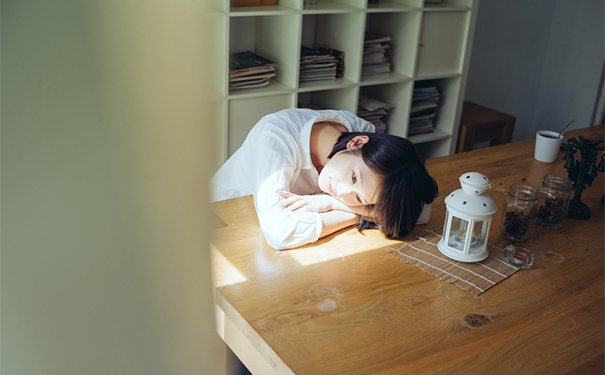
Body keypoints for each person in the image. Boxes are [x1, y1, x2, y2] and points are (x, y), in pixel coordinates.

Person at [210, 108, 438, 250]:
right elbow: (279, 235)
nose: (342, 192)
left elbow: (421, 212)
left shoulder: (365, 146)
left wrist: (330, 203)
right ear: (356, 143)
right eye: (354, 177)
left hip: (256, 236)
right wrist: (352, 213)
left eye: (359, 197)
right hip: (221, 223)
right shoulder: (277, 137)